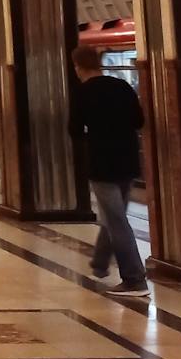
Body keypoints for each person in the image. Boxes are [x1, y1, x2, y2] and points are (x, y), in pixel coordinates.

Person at [68, 46, 149, 297]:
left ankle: (134, 279)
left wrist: (93, 134)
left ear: (78, 67)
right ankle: (100, 263)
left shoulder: (82, 93)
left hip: (102, 164)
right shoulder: (121, 86)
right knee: (114, 215)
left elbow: (74, 130)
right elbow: (139, 121)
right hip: (127, 162)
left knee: (116, 220)